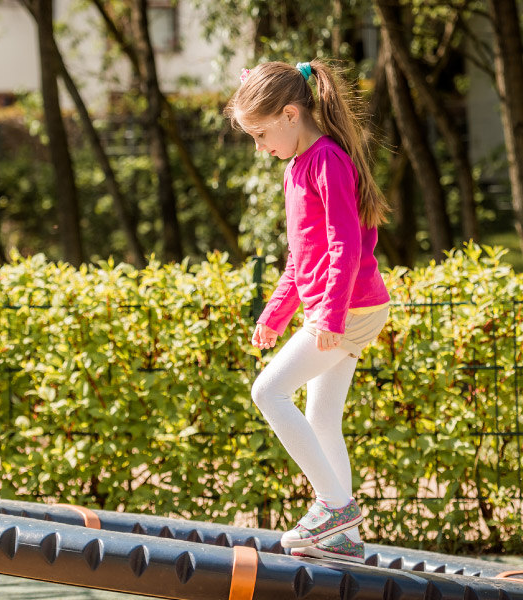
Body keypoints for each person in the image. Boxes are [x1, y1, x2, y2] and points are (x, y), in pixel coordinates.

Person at [224, 60, 391, 563]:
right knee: (321, 416)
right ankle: (345, 537)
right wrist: (276, 314)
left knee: (268, 391)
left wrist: (329, 318)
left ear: (290, 113)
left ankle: (335, 508)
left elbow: (346, 246)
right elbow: (302, 256)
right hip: (341, 308)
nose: (259, 147)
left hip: (351, 307)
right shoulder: (295, 168)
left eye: (260, 134)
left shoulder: (327, 161)